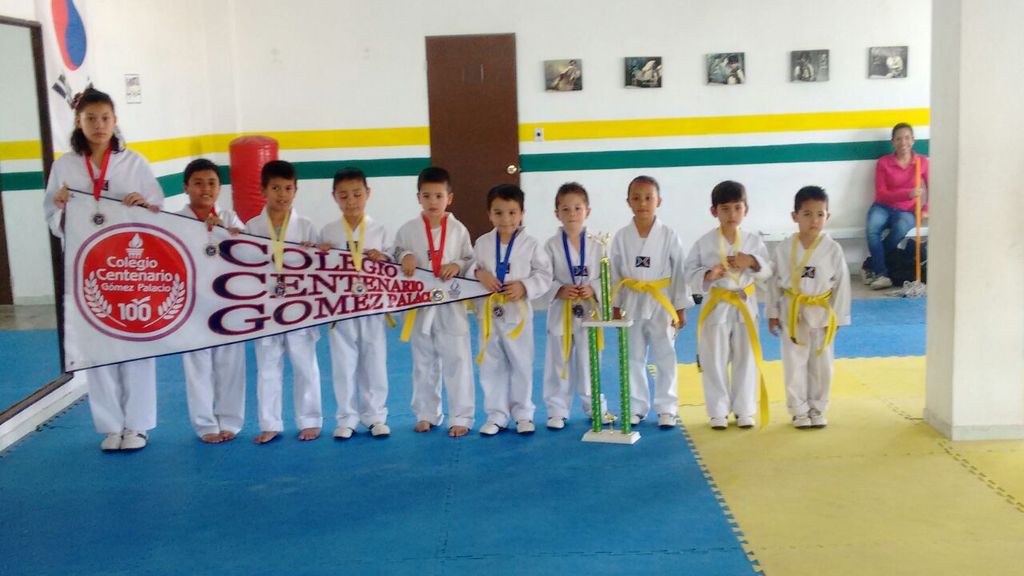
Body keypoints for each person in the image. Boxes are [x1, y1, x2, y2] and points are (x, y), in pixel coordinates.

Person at [44, 87, 163, 452]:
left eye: (105, 118)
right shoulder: (65, 166)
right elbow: (53, 219)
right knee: (97, 347)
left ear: (115, 121)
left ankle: (138, 425)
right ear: (78, 122)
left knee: (135, 343)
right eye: (91, 118)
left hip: (129, 268)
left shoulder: (134, 163)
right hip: (89, 269)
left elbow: (158, 210)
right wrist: (61, 206)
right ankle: (111, 426)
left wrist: (144, 204)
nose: (99, 125)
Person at [394, 167, 476, 437]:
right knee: (423, 361)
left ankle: (461, 416)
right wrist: (405, 255)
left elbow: (470, 259)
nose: (433, 201)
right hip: (420, 305)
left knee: (457, 360)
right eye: (426, 196)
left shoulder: (458, 230)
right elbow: (395, 253)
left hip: (451, 305)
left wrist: (457, 265)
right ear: (418, 197)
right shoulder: (407, 230)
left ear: (449, 198)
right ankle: (426, 413)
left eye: (438, 196)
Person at [245, 160, 323, 444]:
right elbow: (244, 266)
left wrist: (314, 253)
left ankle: (310, 419)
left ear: (296, 190)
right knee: (267, 366)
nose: (282, 194)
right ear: (263, 190)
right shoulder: (252, 227)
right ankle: (270, 422)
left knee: (305, 364)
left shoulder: (306, 226)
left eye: (288, 188)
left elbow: (320, 267)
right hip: (265, 305)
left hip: (299, 305)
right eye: (276, 188)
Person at [684, 181, 772, 430]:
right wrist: (708, 275)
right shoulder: (704, 243)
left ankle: (745, 410)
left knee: (746, 358)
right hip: (716, 306)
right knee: (714, 359)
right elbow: (689, 272)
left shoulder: (753, 242)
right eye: (725, 209)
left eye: (737, 208)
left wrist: (752, 262)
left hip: (745, 304)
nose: (732, 214)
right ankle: (718, 411)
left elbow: (768, 272)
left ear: (746, 210)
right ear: (714, 211)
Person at [610, 176, 693, 428]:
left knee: (665, 355)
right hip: (631, 301)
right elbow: (615, 273)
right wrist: (614, 305)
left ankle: (667, 408)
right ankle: (636, 407)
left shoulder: (669, 235)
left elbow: (679, 272)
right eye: (636, 198)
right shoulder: (621, 237)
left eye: (648, 198)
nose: (642, 203)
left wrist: (680, 307)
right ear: (628, 202)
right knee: (632, 356)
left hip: (661, 301)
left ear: (659, 201)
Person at [766, 186, 851, 429]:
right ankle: (798, 409)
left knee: (822, 364)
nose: (814, 220)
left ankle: (818, 407)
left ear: (827, 216)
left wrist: (839, 316)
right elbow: (774, 283)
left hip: (822, 312)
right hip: (793, 312)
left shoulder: (832, 249)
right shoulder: (784, 248)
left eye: (820, 214)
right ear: (795, 216)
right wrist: (772, 313)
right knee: (794, 363)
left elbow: (842, 285)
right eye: (807, 214)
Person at [472, 184, 552, 435]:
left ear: (522, 213)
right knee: (491, 365)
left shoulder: (531, 244)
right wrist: (480, 274)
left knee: (522, 364)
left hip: (518, 316)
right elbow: (470, 268)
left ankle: (523, 413)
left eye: (512, 212)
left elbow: (545, 274)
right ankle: (496, 414)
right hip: (489, 316)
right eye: (498, 213)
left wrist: (525, 286)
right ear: (489, 214)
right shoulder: (483, 243)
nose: (505, 219)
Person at [176, 159, 246, 443]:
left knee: (231, 363)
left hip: (229, 301)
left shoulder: (229, 218)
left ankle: (230, 420)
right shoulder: (175, 221)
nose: (205, 189)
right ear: (186, 187)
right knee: (198, 365)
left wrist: (225, 232)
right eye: (198, 183)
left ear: (219, 187)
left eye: (212, 183)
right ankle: (205, 424)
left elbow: (248, 252)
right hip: (193, 303)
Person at [320, 168, 392, 440]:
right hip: (341, 307)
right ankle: (346, 417)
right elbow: (318, 269)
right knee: (343, 364)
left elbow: (393, 264)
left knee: (374, 361)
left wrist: (384, 257)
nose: (351, 201)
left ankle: (376, 416)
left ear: (368, 194)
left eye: (357, 194)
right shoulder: (328, 232)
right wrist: (320, 254)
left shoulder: (380, 230)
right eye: (344, 196)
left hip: (372, 306)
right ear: (334, 197)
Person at [542, 183, 612, 430]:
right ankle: (557, 410)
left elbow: (607, 276)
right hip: (561, 311)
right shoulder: (550, 246)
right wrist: (559, 289)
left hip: (589, 310)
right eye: (565, 209)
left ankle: (595, 407)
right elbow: (543, 277)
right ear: (557, 213)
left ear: (587, 211)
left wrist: (594, 288)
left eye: (577, 208)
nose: (572, 213)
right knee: (557, 361)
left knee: (589, 360)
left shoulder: (598, 244)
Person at [865, 122, 929, 289]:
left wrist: (925, 209)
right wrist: (907, 193)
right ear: (892, 142)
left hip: (907, 210)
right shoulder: (883, 163)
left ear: (913, 140)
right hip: (882, 206)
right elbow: (881, 194)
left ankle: (873, 264)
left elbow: (934, 188)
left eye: (907, 138)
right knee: (872, 229)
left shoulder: (922, 162)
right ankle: (882, 274)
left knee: (900, 228)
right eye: (898, 139)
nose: (903, 142)